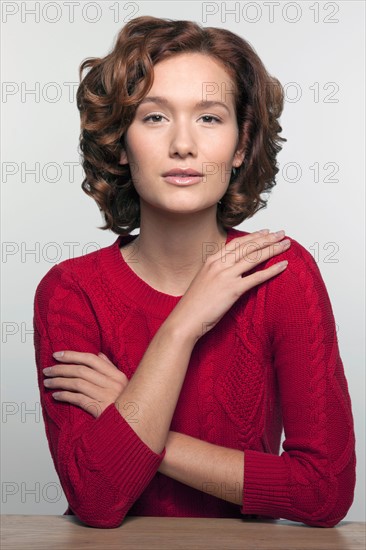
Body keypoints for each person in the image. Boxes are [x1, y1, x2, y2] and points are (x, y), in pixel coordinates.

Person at [33, 15, 356, 529]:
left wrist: (128, 414)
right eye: (154, 117)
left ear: (242, 145)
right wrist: (183, 325)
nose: (183, 145)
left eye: (209, 118)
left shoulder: (282, 274)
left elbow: (322, 493)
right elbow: (96, 499)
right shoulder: (70, 291)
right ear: (120, 142)